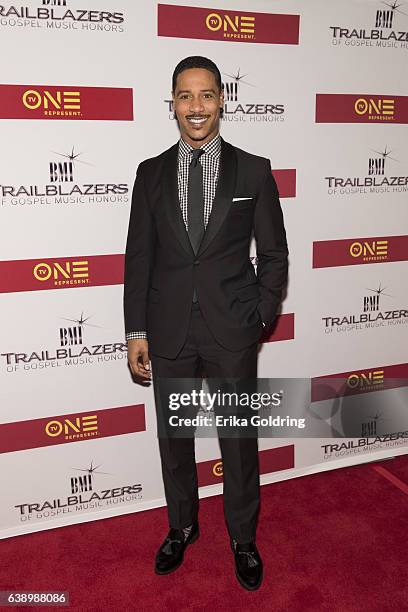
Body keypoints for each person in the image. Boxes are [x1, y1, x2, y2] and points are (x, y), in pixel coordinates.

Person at [124, 56, 288, 591]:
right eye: (185, 95)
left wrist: (259, 317)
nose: (196, 106)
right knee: (176, 437)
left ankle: (243, 537)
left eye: (206, 95)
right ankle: (182, 525)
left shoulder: (254, 170)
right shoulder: (149, 174)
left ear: (223, 100)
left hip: (232, 332)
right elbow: (138, 260)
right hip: (168, 330)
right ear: (171, 102)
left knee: (238, 438)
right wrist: (136, 332)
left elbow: (276, 255)